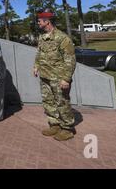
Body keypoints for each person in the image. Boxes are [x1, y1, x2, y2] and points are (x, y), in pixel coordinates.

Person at [33, 9, 76, 141]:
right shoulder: (42, 37)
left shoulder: (62, 38)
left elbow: (70, 60)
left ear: (47, 21)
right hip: (45, 76)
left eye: (39, 21)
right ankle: (55, 125)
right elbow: (39, 54)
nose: (38, 23)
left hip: (58, 78)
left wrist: (66, 79)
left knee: (62, 103)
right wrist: (36, 66)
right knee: (48, 102)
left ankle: (67, 128)